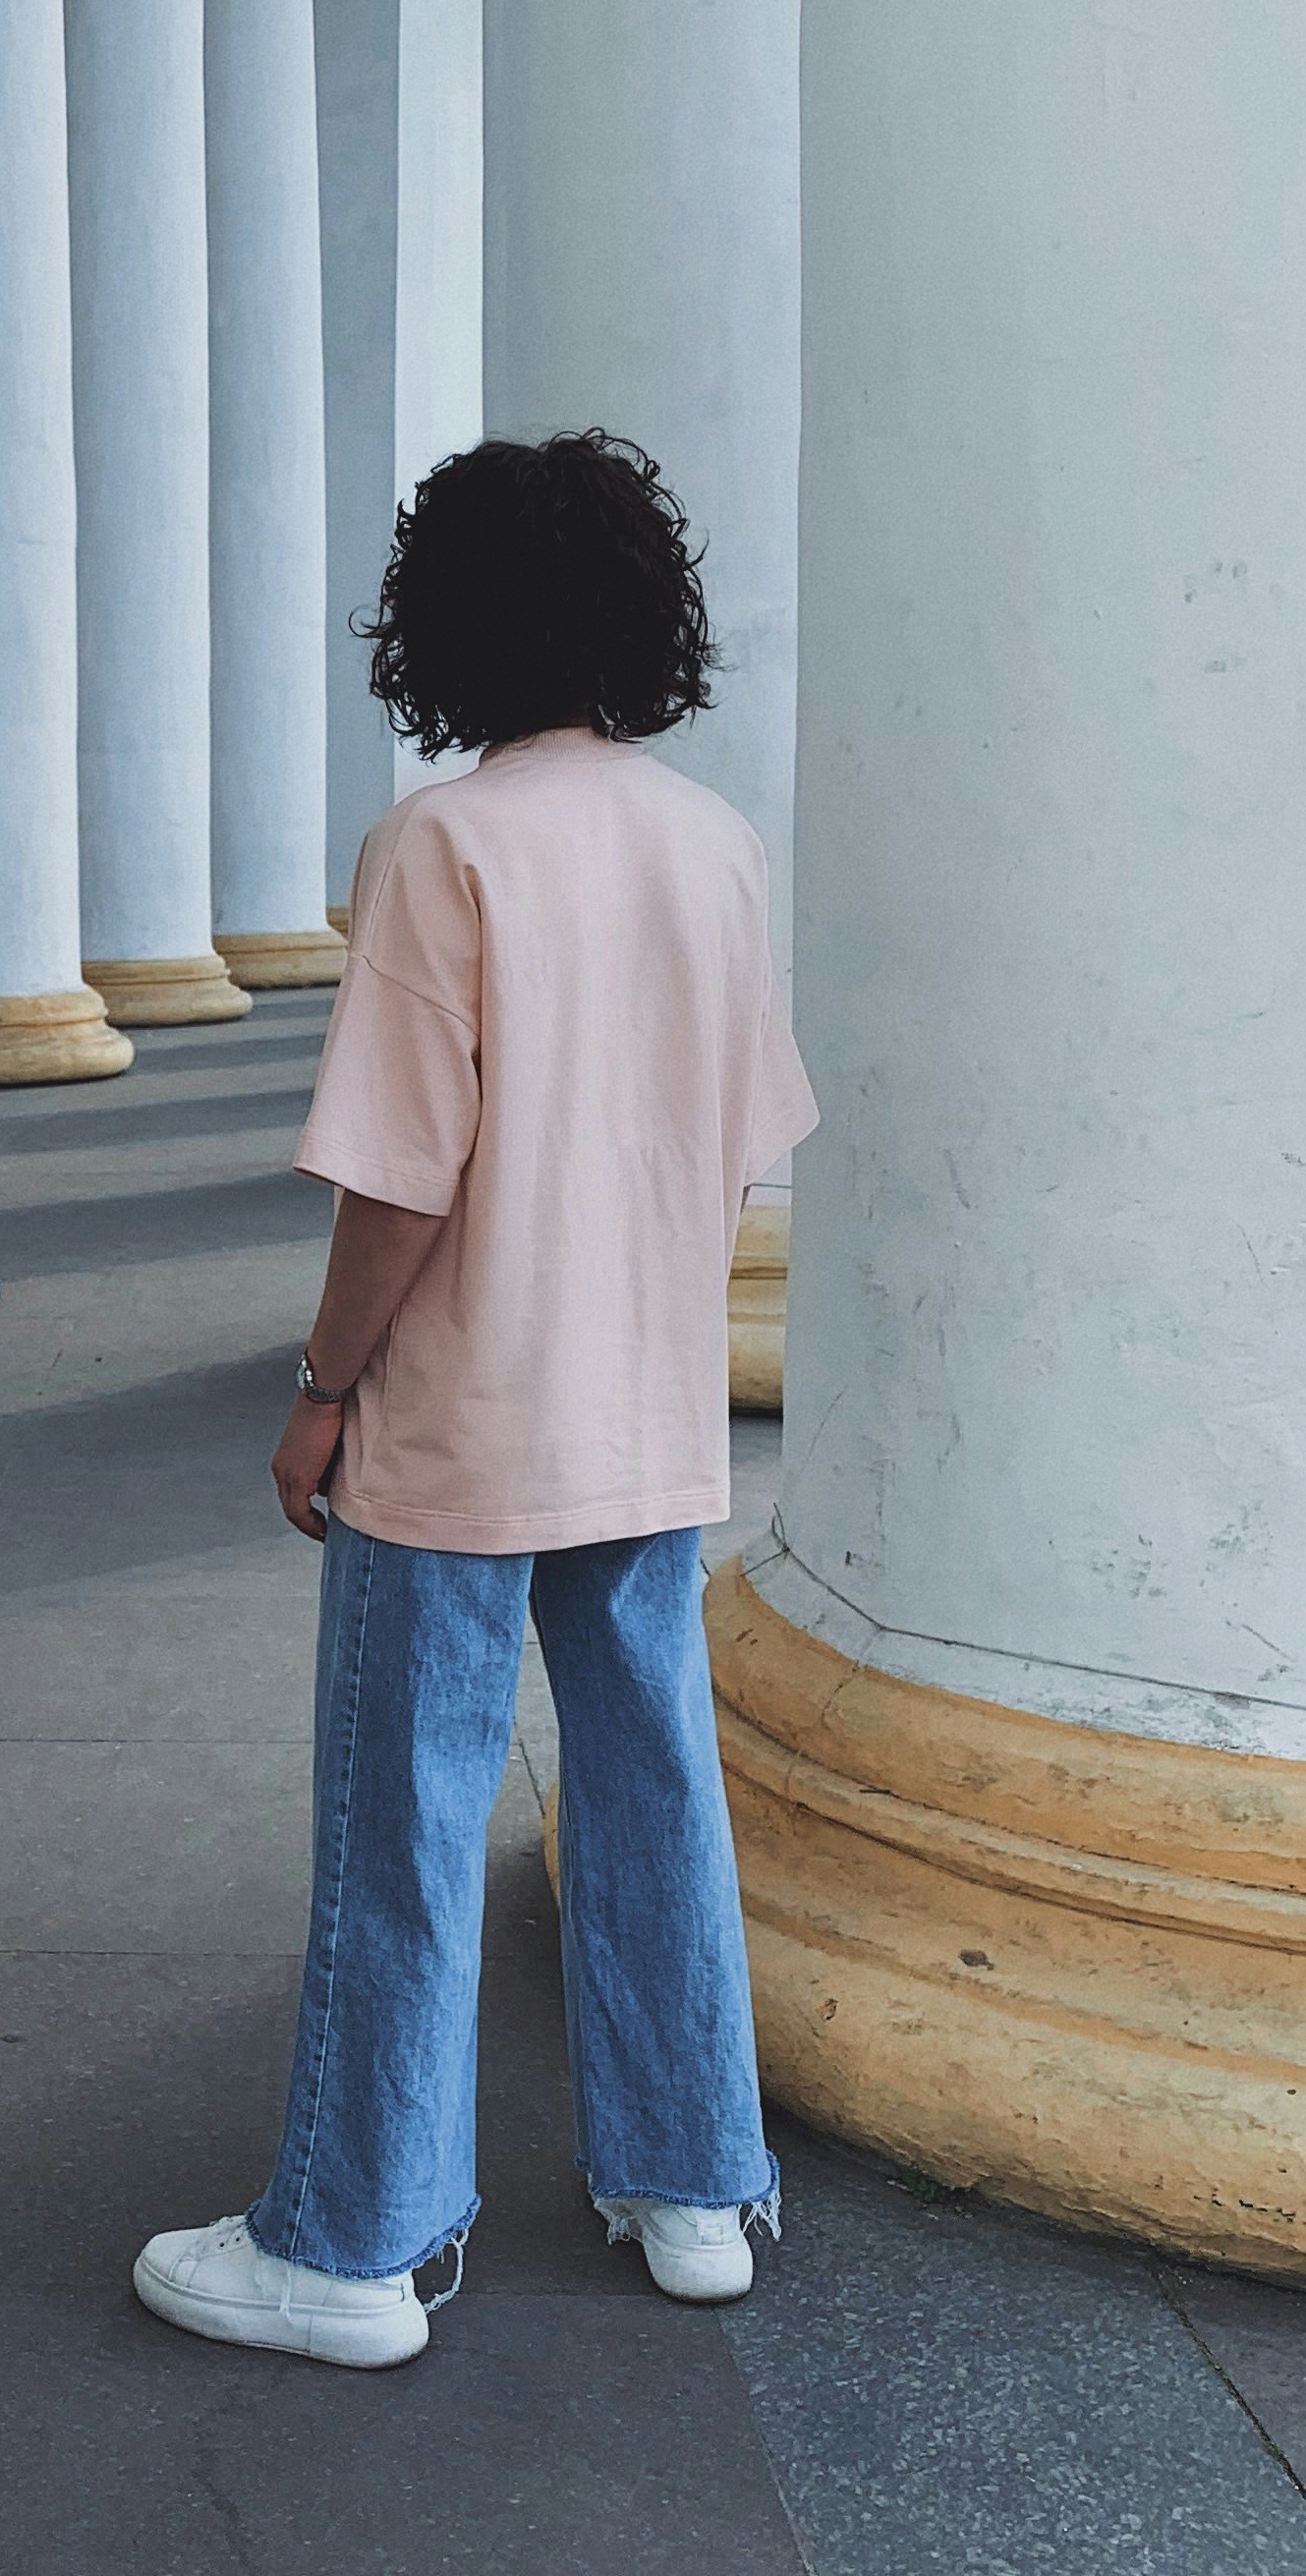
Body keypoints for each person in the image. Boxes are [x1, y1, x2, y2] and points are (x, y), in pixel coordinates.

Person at [136, 429, 814, 2372]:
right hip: (650, 1417)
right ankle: (695, 2185)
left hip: (460, 1424)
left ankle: (354, 2239)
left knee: (405, 1818)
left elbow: (400, 1180)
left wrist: (319, 1390)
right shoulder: (715, 844)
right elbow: (737, 1148)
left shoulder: (441, 850)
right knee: (655, 1785)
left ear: (444, 624)